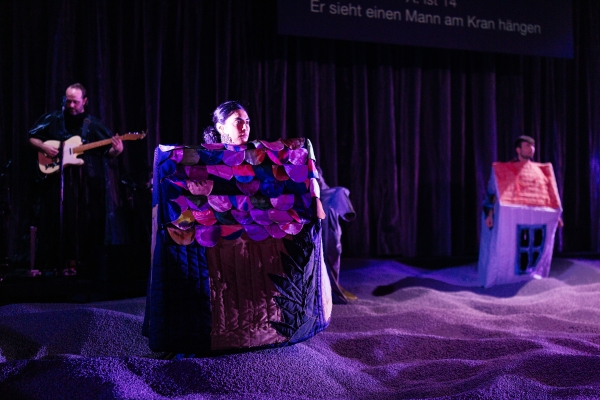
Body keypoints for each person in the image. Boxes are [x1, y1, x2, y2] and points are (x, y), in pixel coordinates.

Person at [28, 83, 123, 276]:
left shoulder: (92, 124)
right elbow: (32, 137)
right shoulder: (53, 118)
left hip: (84, 185)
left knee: (82, 224)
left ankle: (79, 264)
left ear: (84, 101)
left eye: (75, 102)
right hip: (55, 182)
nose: (71, 105)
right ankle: (50, 263)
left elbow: (108, 152)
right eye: (68, 101)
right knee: (54, 221)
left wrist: (117, 150)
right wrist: (44, 148)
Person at [483, 135, 563, 229]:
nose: (531, 148)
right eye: (527, 146)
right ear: (518, 150)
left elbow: (544, 195)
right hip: (512, 219)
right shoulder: (506, 171)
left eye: (533, 146)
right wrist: (490, 215)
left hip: (534, 220)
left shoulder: (539, 171)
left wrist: (555, 216)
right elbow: (492, 195)